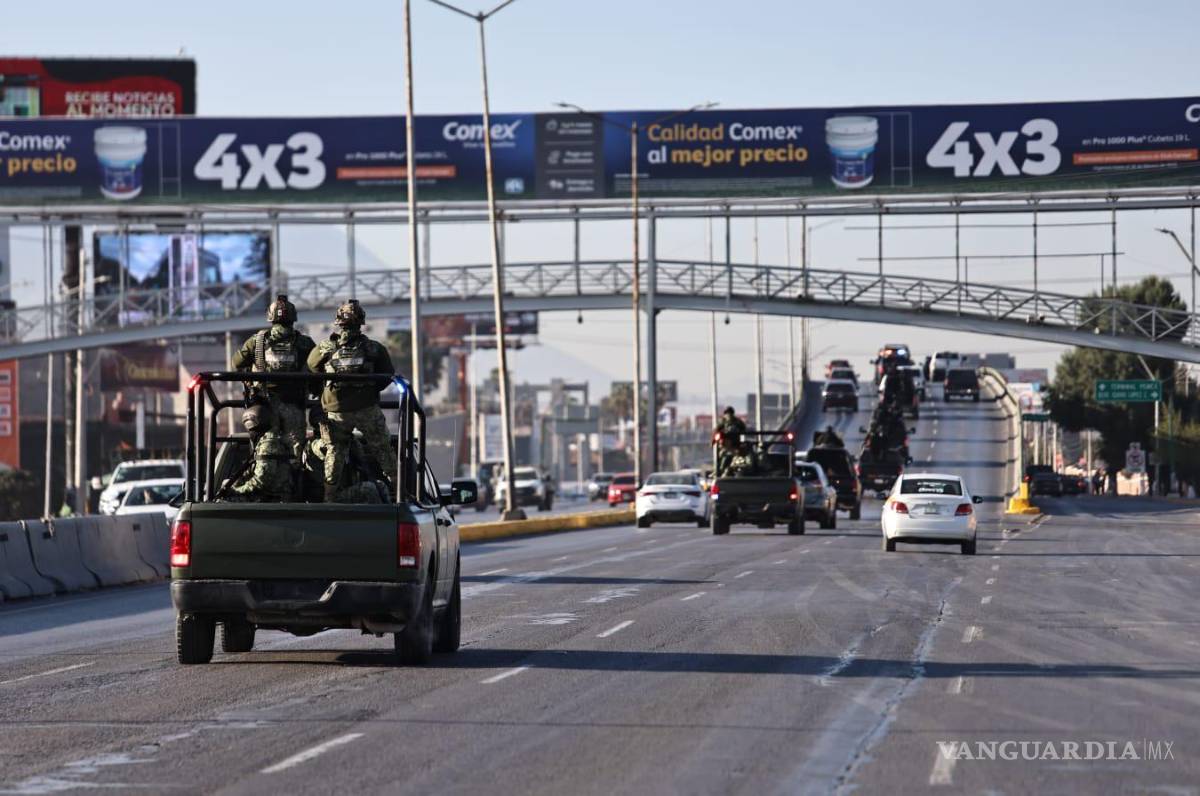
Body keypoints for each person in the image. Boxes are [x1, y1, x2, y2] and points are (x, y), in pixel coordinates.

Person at [306, 299, 396, 501]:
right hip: (367, 409)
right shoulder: (374, 348)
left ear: (338, 323)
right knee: (382, 448)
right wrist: (368, 391)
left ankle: (329, 497)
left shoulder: (324, 348)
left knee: (334, 452)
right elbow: (387, 375)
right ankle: (399, 491)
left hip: (335, 412)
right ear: (361, 323)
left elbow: (312, 366)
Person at [231, 294, 316, 460]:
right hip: (294, 405)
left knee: (263, 452)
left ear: (270, 318)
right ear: (293, 319)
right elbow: (317, 368)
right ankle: (293, 482)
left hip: (263, 409)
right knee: (294, 454)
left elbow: (236, 363)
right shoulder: (304, 343)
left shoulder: (257, 341)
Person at [222, 404, 293, 502]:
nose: (252, 433)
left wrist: (237, 491)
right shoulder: (263, 443)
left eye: (254, 430)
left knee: (227, 501)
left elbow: (261, 481)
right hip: (269, 497)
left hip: (274, 499)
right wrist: (234, 482)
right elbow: (252, 470)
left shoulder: (268, 445)